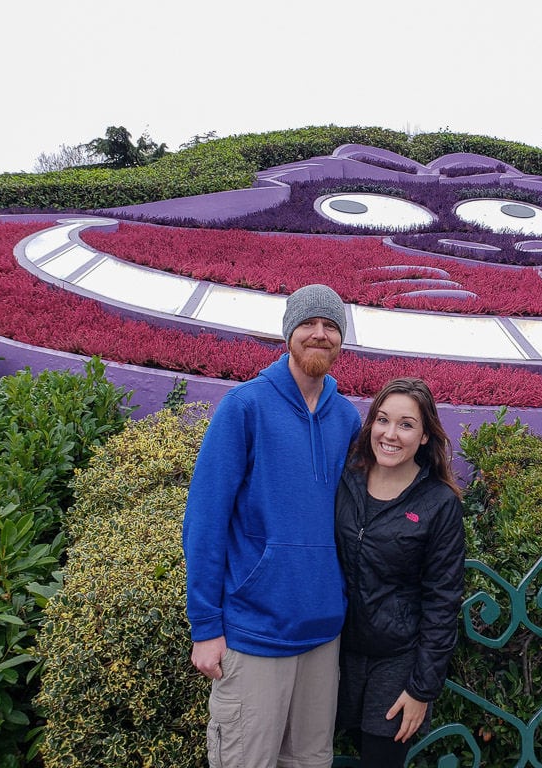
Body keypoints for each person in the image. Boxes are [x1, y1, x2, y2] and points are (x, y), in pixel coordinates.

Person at [182, 284, 362, 768]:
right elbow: (205, 518)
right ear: (288, 333)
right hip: (255, 632)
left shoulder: (347, 419)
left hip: (323, 635)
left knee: (308, 762)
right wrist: (205, 625)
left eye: (331, 326)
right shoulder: (245, 407)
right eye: (309, 324)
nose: (320, 335)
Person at [334, 377, 466, 768]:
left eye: (406, 424)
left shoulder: (438, 503)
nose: (390, 434)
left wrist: (421, 689)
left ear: (425, 436)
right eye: (383, 420)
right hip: (333, 654)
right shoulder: (347, 478)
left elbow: (443, 601)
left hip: (396, 663)